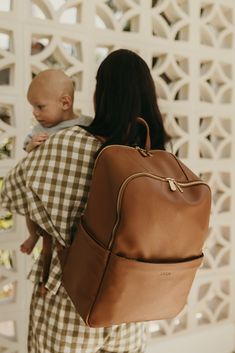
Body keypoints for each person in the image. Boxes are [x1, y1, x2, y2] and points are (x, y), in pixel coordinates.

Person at [0, 49, 169, 353]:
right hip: (129, 305)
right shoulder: (158, 158)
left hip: (71, 299)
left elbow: (10, 191)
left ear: (101, 93)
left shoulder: (69, 142)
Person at [21, 69, 91, 256]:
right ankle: (33, 235)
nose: (35, 113)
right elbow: (27, 151)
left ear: (65, 102)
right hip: (45, 186)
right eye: (33, 108)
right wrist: (32, 146)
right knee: (31, 208)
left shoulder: (86, 124)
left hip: (70, 188)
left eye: (40, 107)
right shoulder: (39, 129)